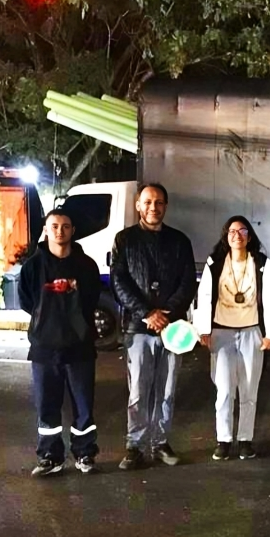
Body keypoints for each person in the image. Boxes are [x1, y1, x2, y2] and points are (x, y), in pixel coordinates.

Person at [111, 183, 196, 470]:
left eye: (159, 202)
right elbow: (119, 282)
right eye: (147, 201)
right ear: (138, 205)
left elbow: (187, 283)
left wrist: (167, 315)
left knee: (167, 389)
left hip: (173, 330)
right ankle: (134, 446)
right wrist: (147, 312)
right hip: (138, 327)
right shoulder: (124, 240)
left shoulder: (180, 241)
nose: (153, 207)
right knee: (138, 390)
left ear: (166, 206)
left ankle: (160, 443)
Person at [19, 209, 102, 476]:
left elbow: (91, 300)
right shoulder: (33, 266)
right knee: (47, 406)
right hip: (44, 348)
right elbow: (26, 301)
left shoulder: (87, 266)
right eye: (54, 226)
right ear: (46, 229)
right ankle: (50, 457)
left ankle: (85, 453)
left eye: (65, 226)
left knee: (83, 407)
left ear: (73, 231)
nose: (59, 231)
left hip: (80, 347)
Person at [195, 216, 270, 461]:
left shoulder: (262, 263)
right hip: (222, 332)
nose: (237, 235)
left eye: (242, 231)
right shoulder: (216, 262)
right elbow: (205, 295)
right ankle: (223, 440)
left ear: (249, 236)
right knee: (223, 390)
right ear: (226, 236)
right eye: (232, 231)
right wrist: (204, 329)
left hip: (252, 332)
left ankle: (245, 440)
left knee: (249, 389)